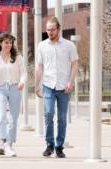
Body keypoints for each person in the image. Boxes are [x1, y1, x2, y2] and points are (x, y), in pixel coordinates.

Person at [35, 17, 78, 158]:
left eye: (52, 29)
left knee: (62, 118)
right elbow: (39, 67)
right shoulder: (41, 46)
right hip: (48, 85)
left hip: (63, 86)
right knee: (48, 115)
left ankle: (59, 147)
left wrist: (70, 82)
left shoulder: (69, 45)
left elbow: (74, 64)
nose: (50, 32)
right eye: (48, 29)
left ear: (58, 29)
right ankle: (49, 145)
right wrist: (36, 85)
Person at [0, 33, 26, 157]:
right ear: (1, 43)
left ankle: (9, 144)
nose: (8, 45)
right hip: (1, 89)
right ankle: (1, 141)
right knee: (1, 115)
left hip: (15, 88)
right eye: (6, 42)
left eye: (10, 43)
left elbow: (24, 73)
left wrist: (21, 82)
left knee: (13, 119)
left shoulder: (18, 57)